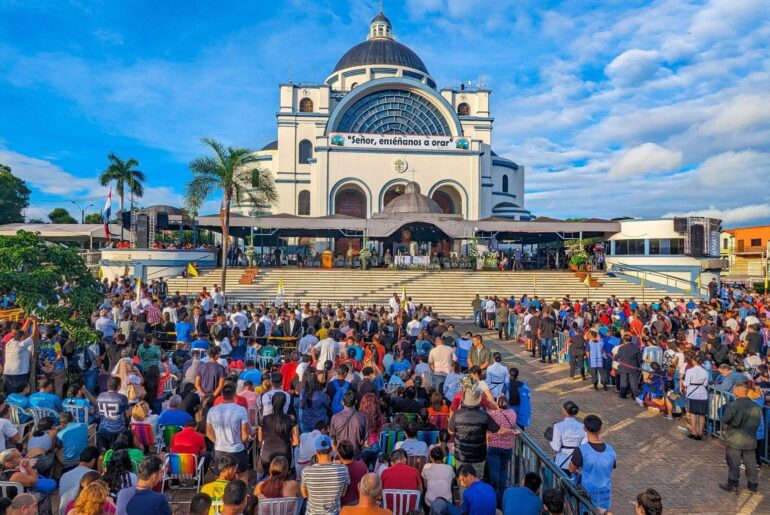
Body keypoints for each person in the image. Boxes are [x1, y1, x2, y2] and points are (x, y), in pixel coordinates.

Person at [447, 386, 502, 481]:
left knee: (463, 482)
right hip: (478, 455)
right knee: (476, 481)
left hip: (461, 455)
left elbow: (450, 431)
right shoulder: (484, 415)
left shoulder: (457, 414)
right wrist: (511, 431)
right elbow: (497, 430)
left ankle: (463, 495)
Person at [719, 382, 761, 493]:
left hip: (735, 438)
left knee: (734, 461)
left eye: (734, 389)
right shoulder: (756, 406)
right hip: (750, 439)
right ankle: (753, 485)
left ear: (738, 391)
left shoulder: (734, 405)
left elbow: (725, 420)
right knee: (751, 462)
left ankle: (733, 484)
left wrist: (726, 430)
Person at [569, 415, 617, 513]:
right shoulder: (611, 450)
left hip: (587, 496)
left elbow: (571, 469)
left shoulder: (581, 450)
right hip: (605, 496)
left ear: (584, 429)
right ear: (601, 429)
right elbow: (611, 467)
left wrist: (579, 470)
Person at [206, 382, 250, 476]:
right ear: (235, 394)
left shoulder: (212, 410)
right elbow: (245, 434)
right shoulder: (241, 410)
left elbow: (209, 433)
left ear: (222, 394)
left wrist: (219, 441)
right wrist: (239, 442)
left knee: (221, 476)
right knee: (242, 476)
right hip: (237, 449)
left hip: (220, 449)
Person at [300, 435, 350, 515]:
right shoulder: (343, 469)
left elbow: (304, 495)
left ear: (316, 452)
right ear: (331, 450)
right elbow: (343, 494)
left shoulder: (306, 471)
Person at [486, 395, 517, 499]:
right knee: (504, 469)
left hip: (493, 445)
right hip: (507, 446)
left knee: (494, 470)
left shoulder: (491, 414)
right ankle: (503, 491)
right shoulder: (512, 413)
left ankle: (495, 492)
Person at [95, 377, 130, 452]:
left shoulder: (100, 396)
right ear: (118, 386)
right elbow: (128, 414)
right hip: (118, 431)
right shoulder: (122, 397)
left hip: (102, 430)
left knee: (102, 454)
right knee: (117, 455)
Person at [549, 401, 586, 473]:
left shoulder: (558, 426)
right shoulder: (583, 427)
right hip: (577, 463)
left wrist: (550, 440)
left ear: (564, 411)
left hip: (562, 461)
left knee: (561, 482)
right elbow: (584, 446)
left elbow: (556, 447)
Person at [330, 390, 368, 457]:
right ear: (356, 402)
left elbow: (332, 440)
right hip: (356, 456)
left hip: (340, 456)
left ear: (342, 402)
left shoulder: (335, 418)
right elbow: (366, 443)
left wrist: (337, 452)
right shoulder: (363, 418)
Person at [681, 353, 709, 440]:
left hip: (692, 393)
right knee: (702, 414)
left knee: (693, 413)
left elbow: (686, 383)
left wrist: (682, 381)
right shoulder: (705, 371)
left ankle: (694, 432)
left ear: (694, 361)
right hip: (703, 393)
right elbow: (705, 383)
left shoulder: (690, 371)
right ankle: (700, 433)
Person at [337, 440, 368, 506]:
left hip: (345, 505)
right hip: (361, 502)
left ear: (340, 455)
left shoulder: (339, 470)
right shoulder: (362, 465)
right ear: (353, 452)